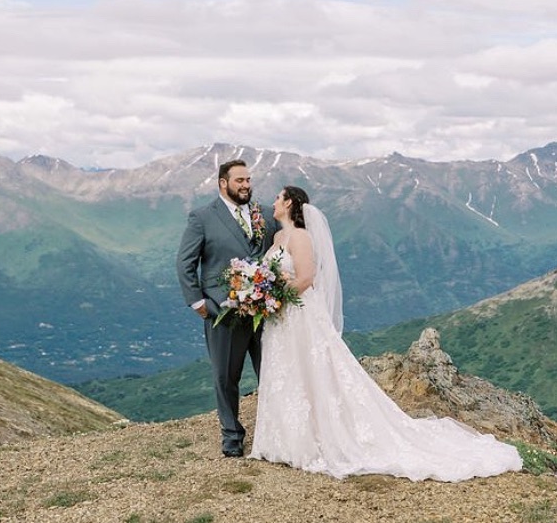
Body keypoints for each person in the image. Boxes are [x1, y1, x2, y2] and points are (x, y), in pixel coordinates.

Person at [249, 185, 523, 481]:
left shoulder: (301, 237)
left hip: (299, 315)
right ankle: (286, 440)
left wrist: (274, 296)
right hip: (281, 320)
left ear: (289, 203)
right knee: (289, 372)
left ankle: (318, 437)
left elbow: (306, 279)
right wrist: (264, 294)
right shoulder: (278, 237)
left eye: (278, 197)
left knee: (312, 371)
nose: (273, 202)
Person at [176, 159, 277, 457]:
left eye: (248, 180)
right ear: (223, 183)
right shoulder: (202, 217)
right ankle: (232, 436)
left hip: (265, 312)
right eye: (239, 181)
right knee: (226, 376)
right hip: (223, 313)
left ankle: (274, 433)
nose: (246, 185)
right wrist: (199, 303)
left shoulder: (267, 215)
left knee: (271, 373)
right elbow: (185, 263)